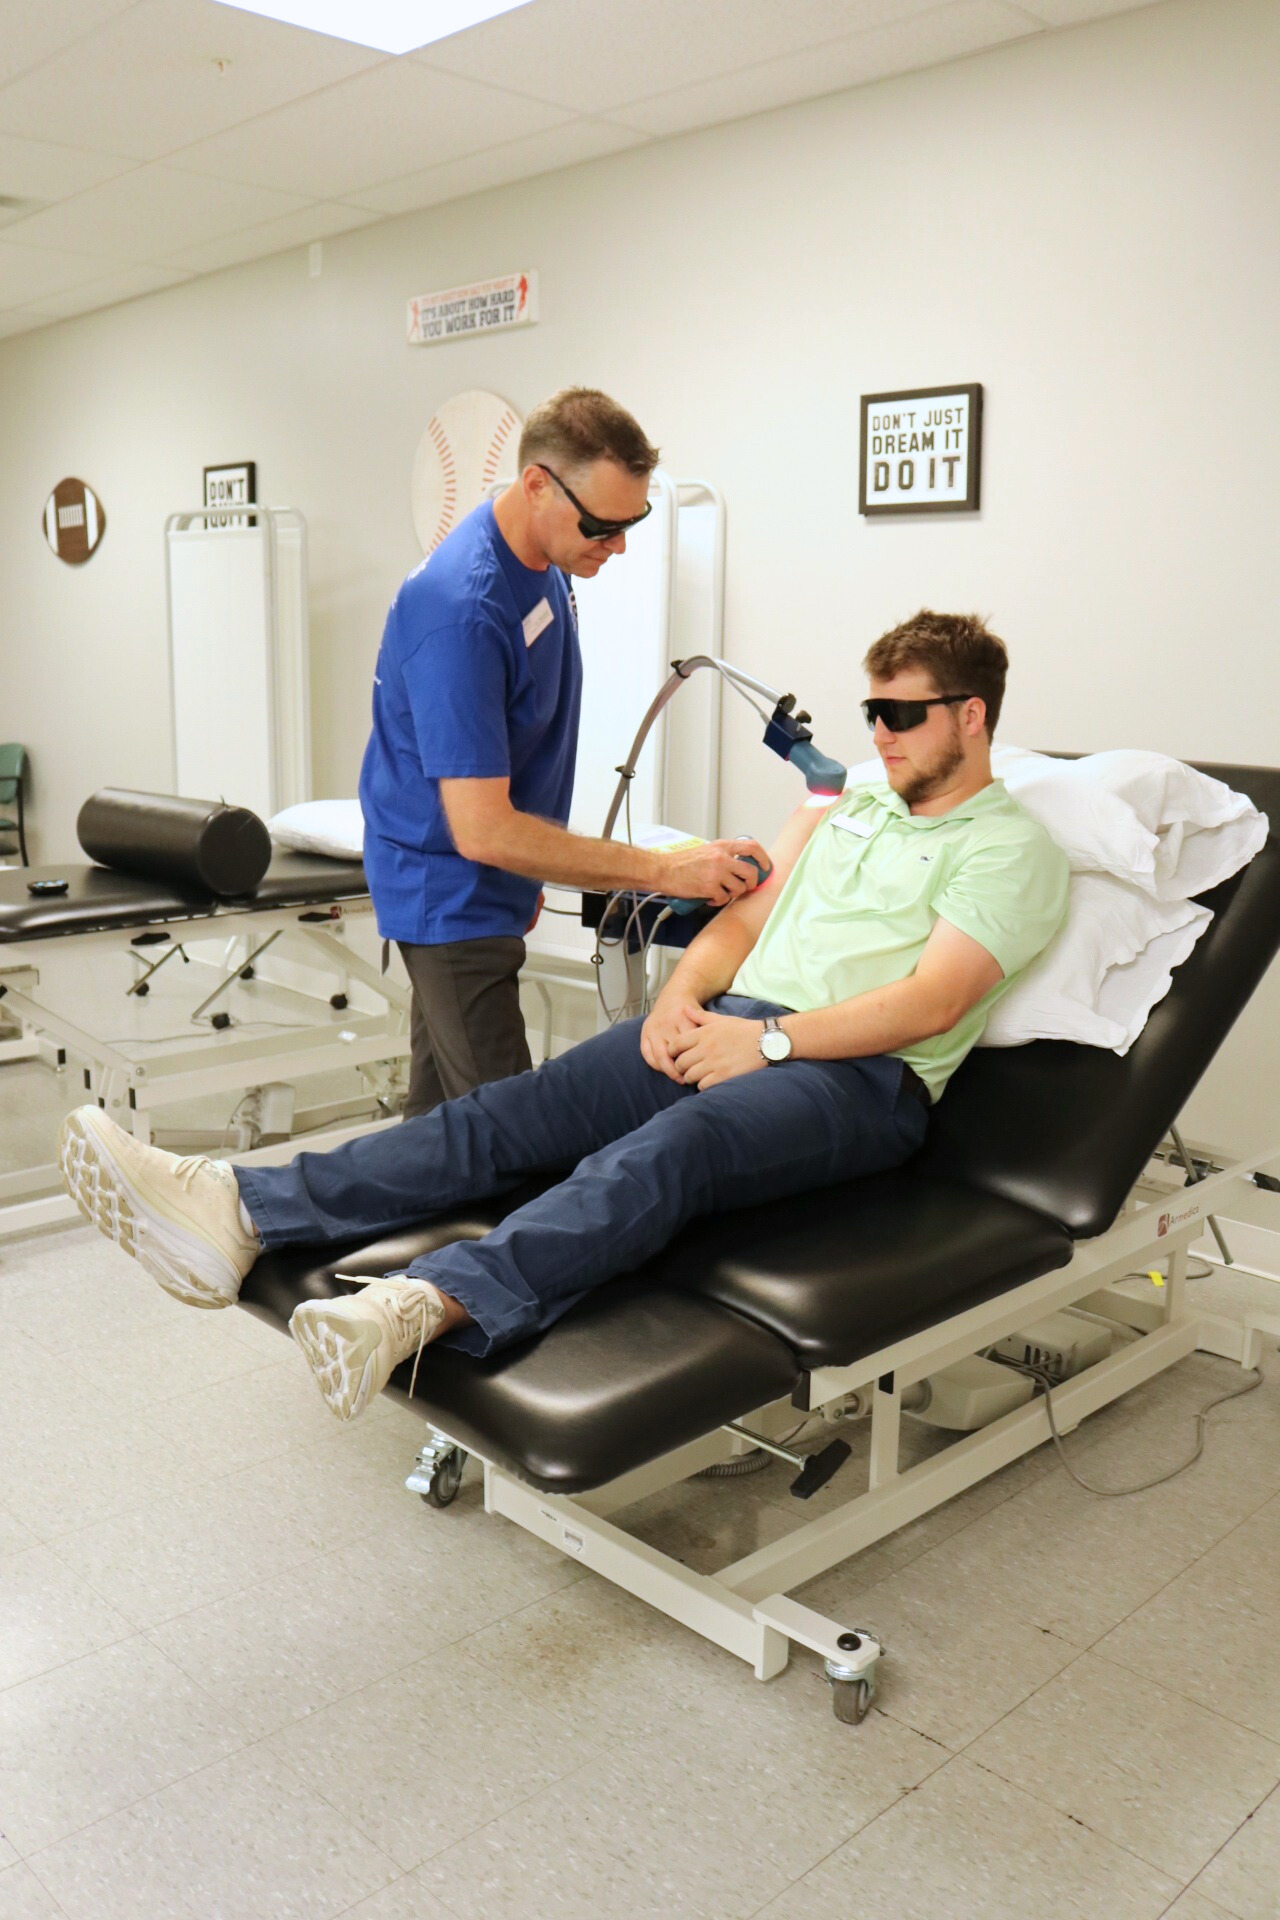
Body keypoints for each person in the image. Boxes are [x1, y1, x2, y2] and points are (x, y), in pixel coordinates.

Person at [60, 612, 1070, 1425]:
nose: (878, 737)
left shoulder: (1008, 849)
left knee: (671, 1148)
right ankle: (236, 1207)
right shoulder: (843, 808)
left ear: (970, 716)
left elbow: (928, 1002)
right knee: (509, 1113)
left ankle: (422, 1304)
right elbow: (739, 921)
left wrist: (760, 1042)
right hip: (736, 1024)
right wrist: (681, 999)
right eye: (872, 715)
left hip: (858, 1079)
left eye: (902, 718)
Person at [360, 386, 769, 1116]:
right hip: (449, 896)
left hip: (485, 884)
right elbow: (482, 830)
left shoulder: (545, 564)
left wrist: (535, 865)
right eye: (602, 526)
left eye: (632, 523)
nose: (617, 546)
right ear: (537, 485)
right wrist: (664, 872)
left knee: (437, 1135)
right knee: (510, 1141)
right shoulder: (463, 606)